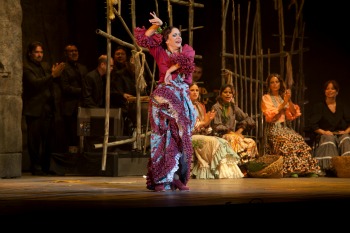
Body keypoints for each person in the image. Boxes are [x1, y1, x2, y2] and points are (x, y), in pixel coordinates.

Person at [134, 12, 197, 191]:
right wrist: (157, 27)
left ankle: (177, 177)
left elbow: (186, 62)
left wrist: (170, 71)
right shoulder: (160, 52)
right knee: (162, 137)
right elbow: (143, 40)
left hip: (181, 100)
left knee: (182, 138)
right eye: (174, 35)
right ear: (166, 39)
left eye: (179, 35)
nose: (178, 38)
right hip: (164, 98)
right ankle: (162, 179)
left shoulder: (187, 49)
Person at [261, 73, 320, 178]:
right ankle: (292, 169)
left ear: (280, 83)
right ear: (269, 85)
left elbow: (293, 113)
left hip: (285, 128)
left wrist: (289, 99)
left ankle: (307, 169)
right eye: (272, 82)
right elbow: (270, 115)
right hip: (273, 128)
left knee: (298, 139)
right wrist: (284, 103)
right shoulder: (266, 98)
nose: (275, 84)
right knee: (287, 140)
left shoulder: (283, 97)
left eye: (277, 82)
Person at [22, 41, 65, 175]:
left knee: (48, 140)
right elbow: (35, 84)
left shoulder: (45, 66)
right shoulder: (26, 67)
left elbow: (52, 82)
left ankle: (46, 167)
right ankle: (36, 167)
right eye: (36, 52)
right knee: (34, 141)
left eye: (41, 52)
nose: (39, 54)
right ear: (30, 54)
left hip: (47, 108)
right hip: (34, 109)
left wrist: (56, 75)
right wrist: (52, 76)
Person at [189, 83, 244, 179]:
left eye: (197, 90)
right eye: (192, 90)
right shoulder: (185, 106)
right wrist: (203, 123)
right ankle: (217, 172)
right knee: (215, 142)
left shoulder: (200, 106)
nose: (195, 92)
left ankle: (228, 172)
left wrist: (208, 121)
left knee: (223, 142)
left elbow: (205, 126)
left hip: (201, 134)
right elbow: (188, 127)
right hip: (190, 135)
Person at [211, 84, 259, 175]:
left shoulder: (233, 107)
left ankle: (249, 166)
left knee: (251, 142)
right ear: (221, 94)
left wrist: (239, 131)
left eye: (230, 93)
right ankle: (240, 167)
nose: (228, 94)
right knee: (234, 139)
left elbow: (248, 119)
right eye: (225, 92)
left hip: (233, 135)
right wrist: (232, 133)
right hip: (220, 135)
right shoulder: (216, 107)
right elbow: (217, 126)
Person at [307, 80, 350, 176]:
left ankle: (346, 167)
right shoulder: (319, 106)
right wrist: (324, 132)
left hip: (338, 133)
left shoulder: (342, 106)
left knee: (346, 138)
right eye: (327, 89)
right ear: (324, 91)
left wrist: (345, 132)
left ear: (337, 92)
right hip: (324, 134)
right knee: (329, 138)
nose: (329, 91)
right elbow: (312, 125)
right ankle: (329, 167)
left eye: (332, 88)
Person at [60, 44, 88, 152]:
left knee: (85, 131)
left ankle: (84, 154)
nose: (74, 53)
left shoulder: (83, 68)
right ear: (66, 54)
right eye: (71, 51)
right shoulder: (63, 68)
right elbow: (65, 88)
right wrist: (82, 91)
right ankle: (72, 158)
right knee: (71, 135)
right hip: (70, 108)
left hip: (83, 106)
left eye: (76, 50)